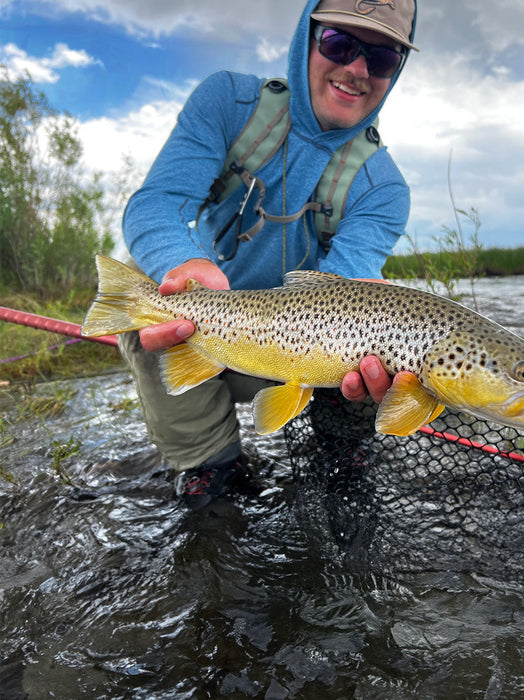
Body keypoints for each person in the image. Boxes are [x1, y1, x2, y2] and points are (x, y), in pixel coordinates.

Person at [120, 0, 418, 509]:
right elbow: (157, 205)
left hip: (312, 350)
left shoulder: (384, 189)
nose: (356, 70)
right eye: (339, 44)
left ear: (397, 70)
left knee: (367, 347)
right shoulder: (228, 104)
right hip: (209, 324)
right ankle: (210, 464)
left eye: (382, 57)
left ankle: (340, 450)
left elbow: (341, 289)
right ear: (305, 37)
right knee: (142, 297)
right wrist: (182, 264)